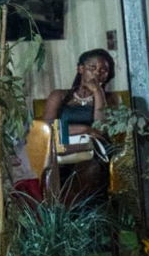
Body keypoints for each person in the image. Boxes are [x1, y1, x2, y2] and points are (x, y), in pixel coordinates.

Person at [42, 50, 116, 205]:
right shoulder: (59, 96)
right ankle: (60, 217)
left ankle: (84, 216)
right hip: (63, 148)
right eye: (92, 67)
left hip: (95, 152)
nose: (97, 73)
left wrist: (98, 92)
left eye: (103, 70)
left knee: (90, 168)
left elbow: (101, 128)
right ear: (80, 69)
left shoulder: (111, 98)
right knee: (52, 168)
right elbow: (48, 130)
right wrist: (85, 129)